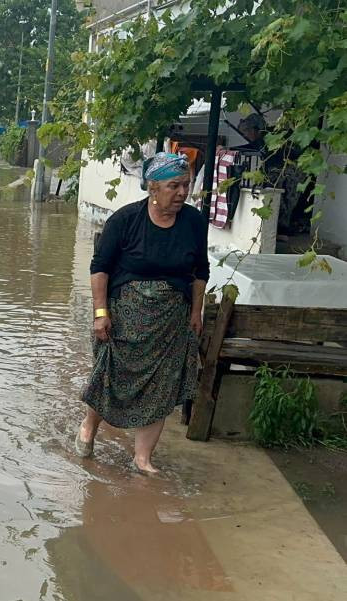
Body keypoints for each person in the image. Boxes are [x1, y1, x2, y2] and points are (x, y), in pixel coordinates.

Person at [75, 152, 209, 475]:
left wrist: (196, 310)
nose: (182, 193)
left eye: (186, 185)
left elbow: (200, 270)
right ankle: (89, 427)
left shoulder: (193, 222)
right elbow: (100, 268)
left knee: (161, 388)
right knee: (109, 379)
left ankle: (142, 458)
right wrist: (100, 313)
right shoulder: (124, 221)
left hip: (170, 325)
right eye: (174, 185)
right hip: (123, 322)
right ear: (152, 186)